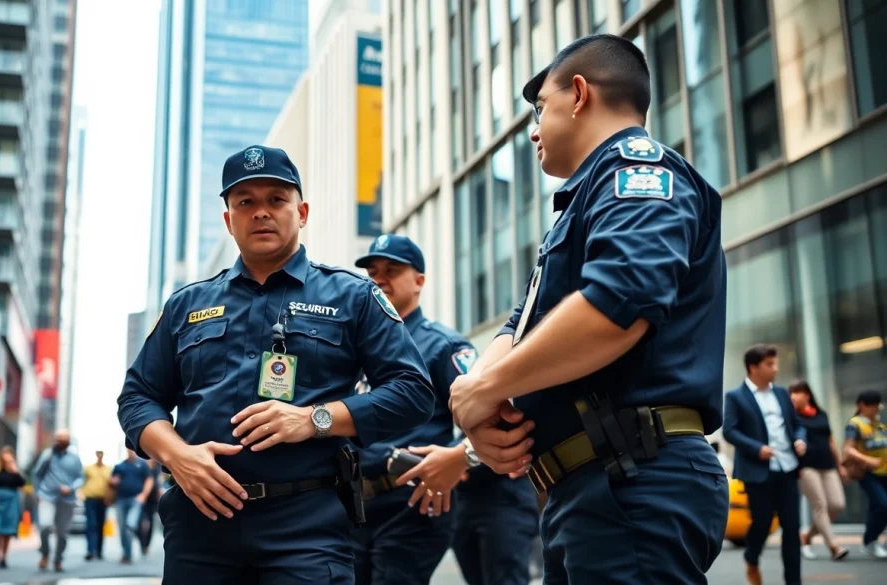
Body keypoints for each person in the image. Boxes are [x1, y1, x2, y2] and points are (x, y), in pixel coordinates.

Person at [448, 34, 729, 585]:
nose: (532, 129)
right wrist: (476, 397)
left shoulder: (638, 171)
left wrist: (483, 388)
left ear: (579, 94)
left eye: (540, 108)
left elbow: (619, 303)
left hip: (633, 477)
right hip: (590, 485)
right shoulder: (584, 202)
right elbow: (521, 326)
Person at [117, 144, 435, 584]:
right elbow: (138, 398)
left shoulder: (353, 296)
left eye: (276, 200)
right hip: (199, 528)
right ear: (229, 220)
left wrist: (314, 418)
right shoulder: (186, 305)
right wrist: (178, 456)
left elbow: (413, 392)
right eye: (245, 202)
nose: (261, 212)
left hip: (307, 528)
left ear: (301, 212)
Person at [349, 234, 478, 585]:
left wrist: (457, 458)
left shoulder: (443, 345)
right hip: (354, 507)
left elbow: (488, 412)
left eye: (392, 270)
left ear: (419, 281)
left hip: (411, 502)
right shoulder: (357, 348)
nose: (379, 278)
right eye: (373, 272)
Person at [723, 344, 807, 585]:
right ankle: (751, 556)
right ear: (753, 367)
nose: (775, 369)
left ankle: (794, 582)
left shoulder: (782, 393)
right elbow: (730, 430)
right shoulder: (736, 396)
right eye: (770, 364)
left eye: (775, 363)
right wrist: (756, 448)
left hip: (788, 467)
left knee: (791, 529)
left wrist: (800, 438)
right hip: (757, 471)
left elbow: (797, 423)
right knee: (761, 522)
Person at [788, 380, 849, 561]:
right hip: (806, 467)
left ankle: (807, 536)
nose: (793, 396)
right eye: (791, 393)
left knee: (837, 505)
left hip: (827, 464)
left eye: (797, 392)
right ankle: (834, 546)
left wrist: (840, 465)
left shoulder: (821, 414)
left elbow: (831, 441)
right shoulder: (792, 418)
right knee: (820, 504)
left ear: (807, 394)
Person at [32, 429, 85, 572]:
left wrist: (71, 487)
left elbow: (81, 477)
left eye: (62, 439)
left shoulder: (74, 458)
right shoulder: (47, 455)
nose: (59, 441)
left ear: (68, 441)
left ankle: (58, 559)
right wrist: (37, 493)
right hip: (47, 496)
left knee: (63, 533)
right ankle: (45, 554)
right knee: (44, 526)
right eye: (57, 438)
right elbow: (37, 474)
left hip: (67, 499)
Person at [842, 390, 887, 558]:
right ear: (862, 406)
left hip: (884, 471)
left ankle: (872, 541)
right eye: (874, 406)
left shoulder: (879, 425)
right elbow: (848, 449)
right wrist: (868, 460)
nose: (877, 409)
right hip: (867, 472)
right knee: (882, 504)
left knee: (877, 507)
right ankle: (870, 540)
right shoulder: (855, 424)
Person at [109, 449, 154, 564]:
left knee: (130, 524)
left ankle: (139, 547)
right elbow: (111, 481)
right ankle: (126, 554)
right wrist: (114, 481)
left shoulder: (142, 464)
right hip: (121, 500)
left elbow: (149, 480)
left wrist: (143, 495)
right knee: (123, 528)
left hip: (136, 500)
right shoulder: (119, 466)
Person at [0, 446, 26, 568]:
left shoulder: (14, 472)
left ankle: (3, 556)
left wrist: (15, 471)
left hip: (11, 503)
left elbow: (22, 483)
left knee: (7, 530)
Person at [82, 450, 111, 560]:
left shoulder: (108, 469)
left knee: (100, 525)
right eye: (98, 453)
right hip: (90, 499)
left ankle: (99, 551)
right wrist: (82, 493)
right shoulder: (89, 468)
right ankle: (90, 550)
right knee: (91, 524)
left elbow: (110, 484)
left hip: (103, 500)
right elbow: (82, 480)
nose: (99, 456)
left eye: (101, 453)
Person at [138, 458, 163, 556]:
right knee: (140, 523)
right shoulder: (143, 467)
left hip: (153, 500)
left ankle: (146, 545)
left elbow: (159, 481)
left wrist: (160, 490)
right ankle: (142, 543)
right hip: (142, 498)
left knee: (151, 523)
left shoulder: (158, 468)